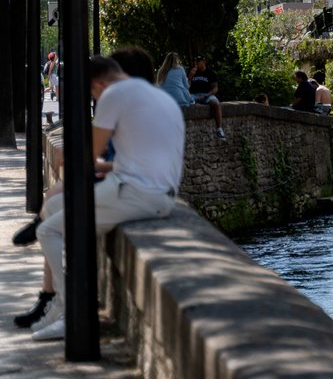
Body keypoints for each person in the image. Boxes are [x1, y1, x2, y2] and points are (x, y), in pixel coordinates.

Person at [31, 55, 184, 341]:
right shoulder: (155, 95)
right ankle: (62, 304)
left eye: (92, 92)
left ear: (99, 84)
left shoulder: (114, 95)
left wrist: (72, 156)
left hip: (138, 194)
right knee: (52, 206)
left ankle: (73, 312)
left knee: (47, 230)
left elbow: (87, 156)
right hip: (154, 192)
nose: (94, 98)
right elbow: (142, 162)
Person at [188, 55, 225, 139]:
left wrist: (207, 95)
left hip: (207, 94)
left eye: (198, 61)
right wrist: (190, 77)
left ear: (204, 61)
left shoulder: (210, 73)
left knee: (216, 104)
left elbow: (215, 88)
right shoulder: (192, 72)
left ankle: (219, 129)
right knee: (188, 102)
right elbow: (187, 87)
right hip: (194, 94)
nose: (196, 63)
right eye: (195, 61)